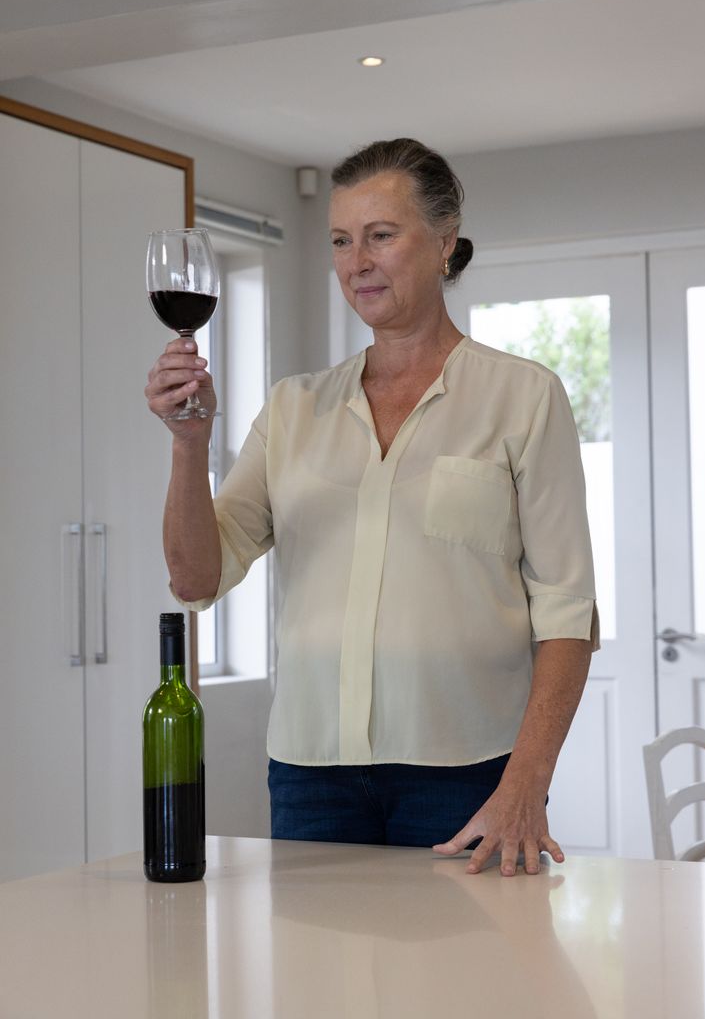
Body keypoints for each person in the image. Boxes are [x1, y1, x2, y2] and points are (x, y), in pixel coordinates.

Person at [145, 137, 599, 877]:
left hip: (470, 777)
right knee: (321, 992)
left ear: (445, 243)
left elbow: (567, 612)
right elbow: (196, 578)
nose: (356, 262)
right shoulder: (293, 408)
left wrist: (526, 784)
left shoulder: (523, 396)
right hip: (310, 777)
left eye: (381, 236)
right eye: (340, 241)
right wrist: (189, 443)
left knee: (467, 992)